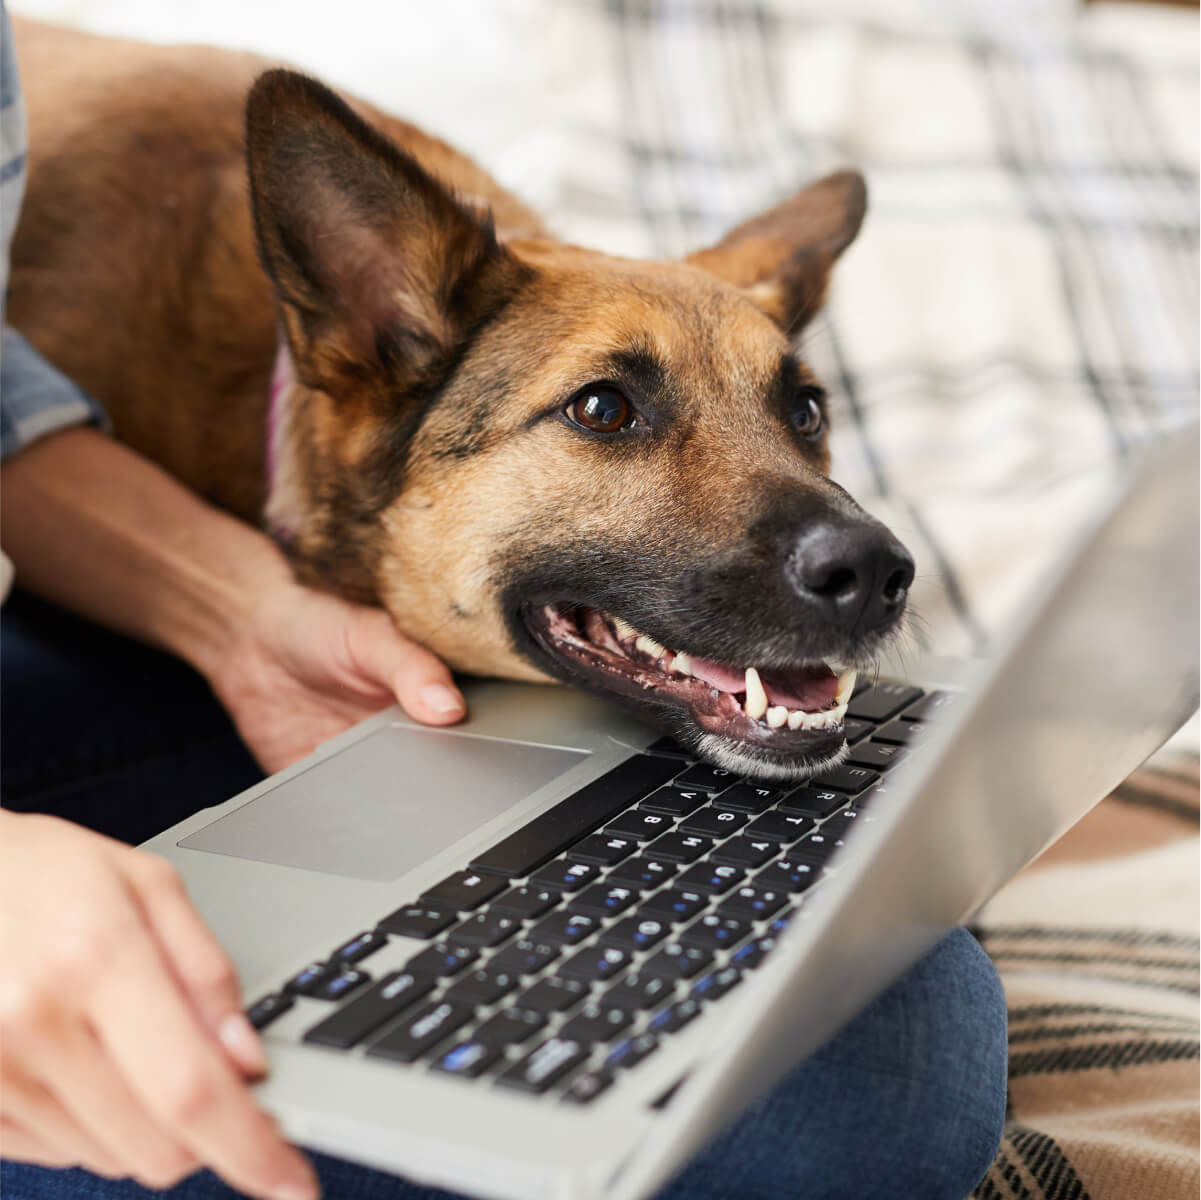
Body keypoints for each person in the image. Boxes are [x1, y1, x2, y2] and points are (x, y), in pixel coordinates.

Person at [0, 10, 1007, 1199]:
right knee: (843, 1113)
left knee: (891, 1014)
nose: (856, 559)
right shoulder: (114, 247)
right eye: (605, 412)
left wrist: (237, 619)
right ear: (376, 329)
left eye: (793, 412)